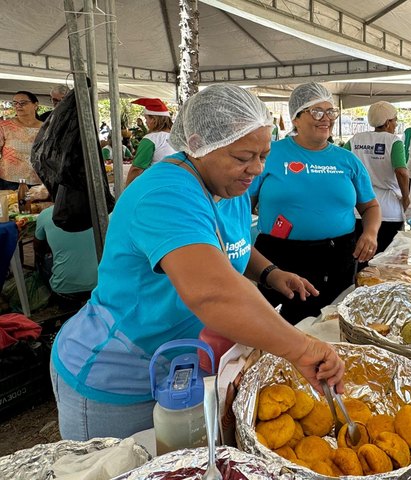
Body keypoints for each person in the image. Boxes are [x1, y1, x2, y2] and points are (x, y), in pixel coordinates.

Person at [49, 84, 345, 441]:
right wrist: (303, 348)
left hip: (181, 369)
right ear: (198, 143)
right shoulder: (165, 193)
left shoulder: (229, 186)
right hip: (117, 374)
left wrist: (270, 272)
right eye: (243, 156)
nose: (255, 168)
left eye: (263, 155)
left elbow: (229, 245)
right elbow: (212, 291)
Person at [251, 82, 380, 325]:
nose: (326, 118)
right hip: (280, 259)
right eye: (317, 112)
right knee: (283, 327)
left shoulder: (347, 160)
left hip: (338, 257)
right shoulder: (270, 154)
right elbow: (240, 208)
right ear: (296, 118)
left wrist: (370, 233)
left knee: (333, 323)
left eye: (330, 112)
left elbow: (370, 206)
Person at [344, 101, 409, 254]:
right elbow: (401, 172)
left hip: (359, 208)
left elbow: (341, 167)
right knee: (387, 257)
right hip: (388, 210)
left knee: (361, 256)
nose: (396, 124)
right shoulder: (393, 141)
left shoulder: (355, 140)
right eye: (395, 120)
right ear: (387, 122)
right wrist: (406, 197)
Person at [34, 205, 97, 310]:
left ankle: (51, 296)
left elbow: (38, 248)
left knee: (43, 259)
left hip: (64, 291)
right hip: (101, 285)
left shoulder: (46, 214)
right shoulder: (102, 211)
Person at [125, 98, 175, 186]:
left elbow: (136, 169)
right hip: (177, 182)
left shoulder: (151, 139)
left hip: (157, 185)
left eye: (146, 118)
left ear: (153, 120)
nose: (146, 122)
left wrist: (127, 189)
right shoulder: (178, 137)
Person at [0, 91, 43, 190]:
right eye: (15, 103)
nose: (18, 106)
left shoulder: (46, 128)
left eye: (23, 103)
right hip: (9, 180)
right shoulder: (4, 126)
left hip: (39, 181)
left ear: (35, 105)